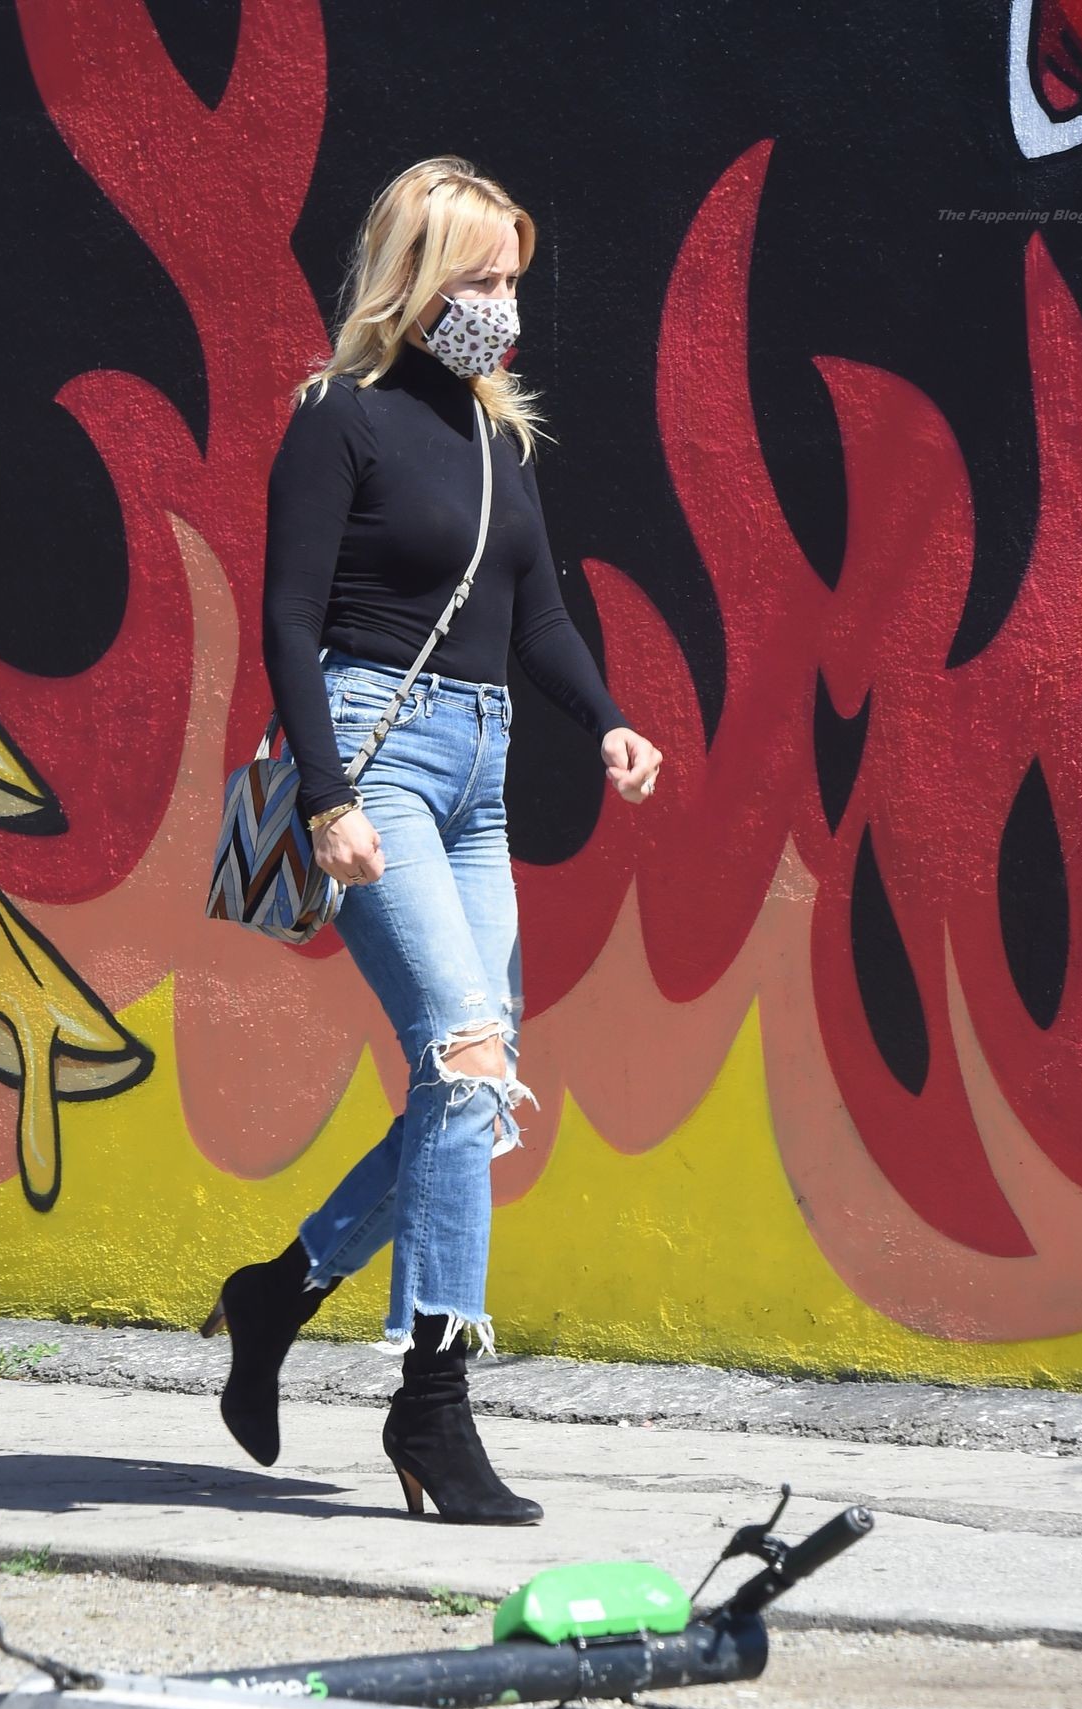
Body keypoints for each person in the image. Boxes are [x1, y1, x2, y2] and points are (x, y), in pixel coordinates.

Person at [203, 155, 663, 1524]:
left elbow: (537, 618)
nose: (503, 306)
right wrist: (329, 797)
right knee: (464, 1058)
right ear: (416, 280)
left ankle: (282, 1293)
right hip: (378, 756)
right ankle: (433, 1404)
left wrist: (608, 721)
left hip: (482, 780)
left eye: (514, 279)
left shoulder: (493, 437)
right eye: (480, 280)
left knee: (475, 1083)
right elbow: (289, 619)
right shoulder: (337, 419)